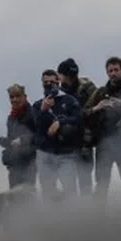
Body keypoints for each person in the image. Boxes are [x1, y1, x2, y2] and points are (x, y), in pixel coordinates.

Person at [85, 57, 121, 217]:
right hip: (104, 145)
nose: (113, 73)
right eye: (110, 70)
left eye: (116, 70)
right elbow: (85, 113)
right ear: (107, 72)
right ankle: (98, 218)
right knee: (101, 184)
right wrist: (98, 107)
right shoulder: (101, 92)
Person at [32, 70, 83, 201]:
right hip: (45, 153)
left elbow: (79, 119)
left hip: (66, 153)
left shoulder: (70, 100)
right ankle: (52, 219)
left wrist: (60, 122)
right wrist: (43, 110)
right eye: (46, 83)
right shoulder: (38, 105)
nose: (49, 85)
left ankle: (73, 218)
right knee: (48, 191)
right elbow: (35, 127)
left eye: (52, 82)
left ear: (58, 82)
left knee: (70, 190)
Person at [57, 58, 98, 197]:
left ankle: (86, 213)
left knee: (85, 179)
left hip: (85, 139)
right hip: (67, 142)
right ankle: (74, 213)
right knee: (69, 182)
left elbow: (96, 110)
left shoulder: (87, 86)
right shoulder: (59, 92)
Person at [0, 84, 37, 190]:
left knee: (27, 194)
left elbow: (39, 136)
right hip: (14, 164)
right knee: (14, 196)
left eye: (17, 96)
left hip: (30, 163)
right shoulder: (11, 118)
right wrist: (5, 142)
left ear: (25, 97)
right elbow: (11, 140)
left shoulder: (33, 114)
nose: (14, 99)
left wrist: (23, 140)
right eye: (11, 97)